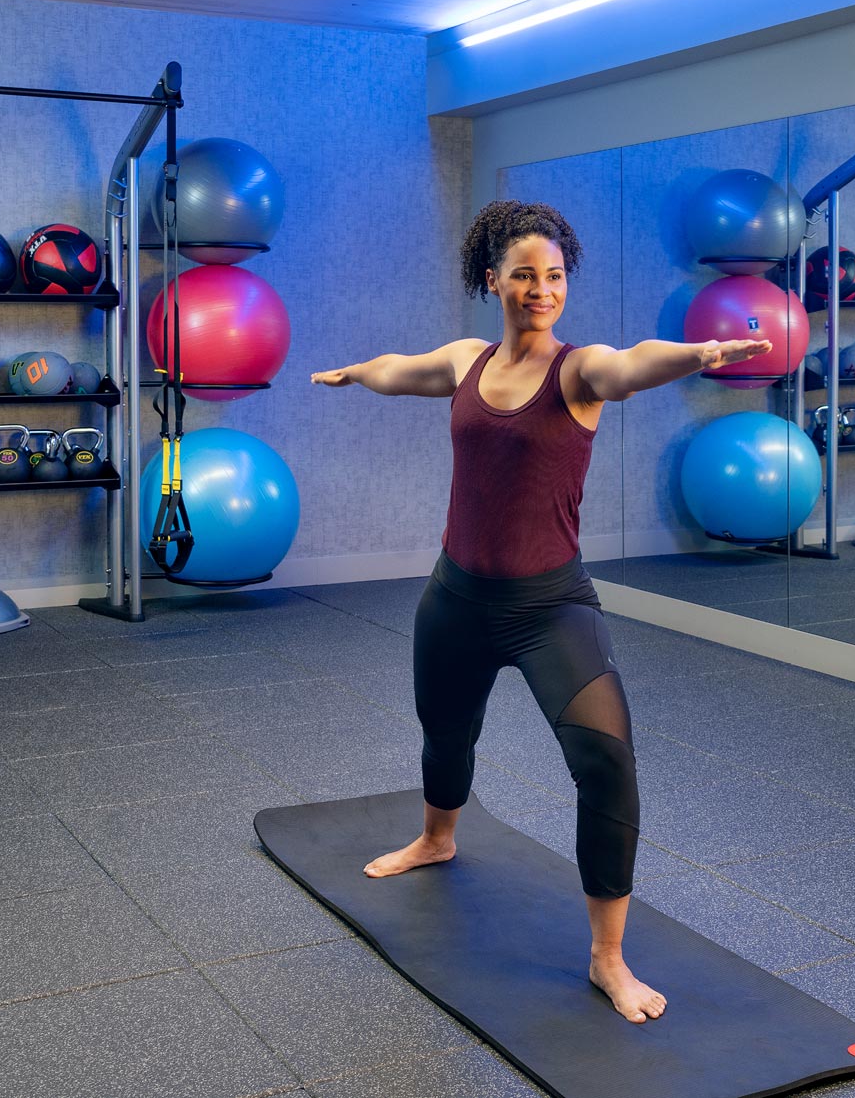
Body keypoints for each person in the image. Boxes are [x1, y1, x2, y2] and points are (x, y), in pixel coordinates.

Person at [309, 199, 771, 1025]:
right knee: (446, 734)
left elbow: (633, 364)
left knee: (606, 763)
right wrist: (354, 371)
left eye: (554, 275)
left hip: (549, 605)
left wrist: (701, 352)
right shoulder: (465, 360)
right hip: (456, 597)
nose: (540, 289)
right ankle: (438, 836)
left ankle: (607, 957)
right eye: (523, 274)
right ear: (493, 279)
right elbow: (400, 368)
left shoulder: (580, 369)